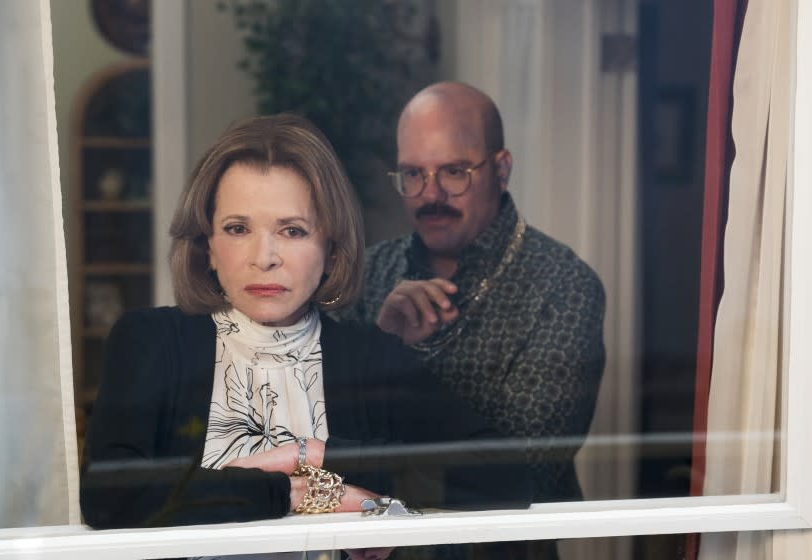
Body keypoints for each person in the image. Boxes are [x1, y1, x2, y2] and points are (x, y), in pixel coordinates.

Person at [80, 114, 407, 551]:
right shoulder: (150, 341)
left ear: (331, 250)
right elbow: (108, 497)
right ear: (207, 247)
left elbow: (500, 473)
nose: (264, 257)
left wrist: (306, 455)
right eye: (238, 229)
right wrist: (293, 492)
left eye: (292, 231)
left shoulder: (373, 356)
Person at [337, 81, 607, 508]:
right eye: (413, 173)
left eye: (453, 171)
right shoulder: (366, 276)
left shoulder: (563, 286)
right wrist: (380, 344)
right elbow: (318, 440)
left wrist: (392, 367)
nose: (431, 194)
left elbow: (522, 471)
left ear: (501, 170)